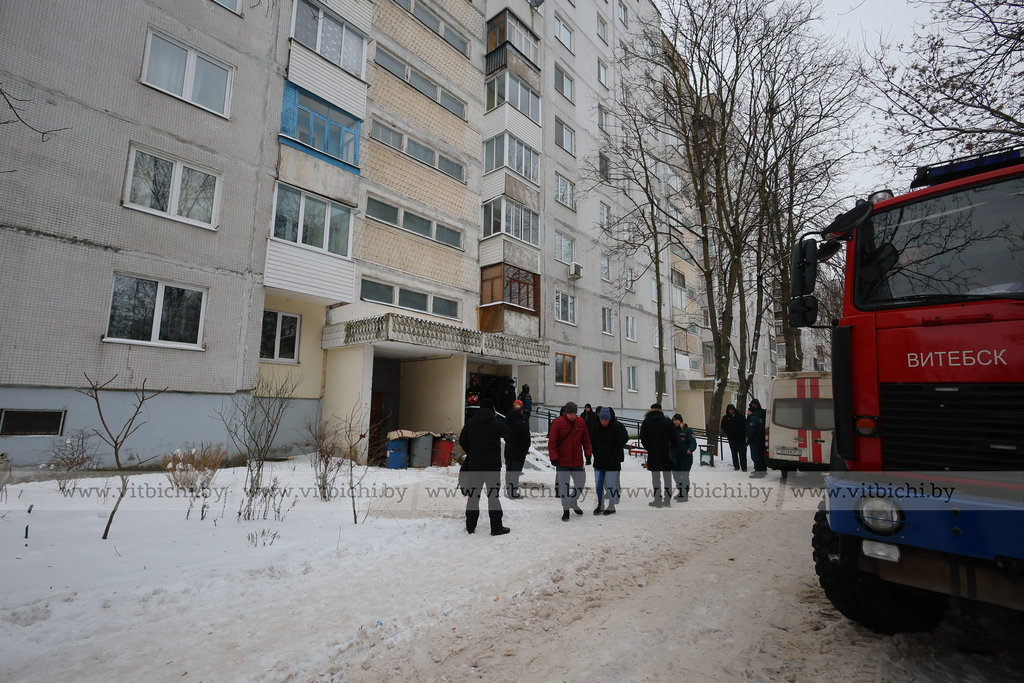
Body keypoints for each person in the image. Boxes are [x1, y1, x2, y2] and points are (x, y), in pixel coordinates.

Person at [458, 398, 511, 535]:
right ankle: (496, 528)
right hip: (493, 467)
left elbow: (462, 440)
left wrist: (471, 452)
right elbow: (508, 435)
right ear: (492, 409)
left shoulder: (471, 422)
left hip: (475, 466)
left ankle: (470, 527)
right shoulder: (496, 422)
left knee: (473, 496)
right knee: (493, 496)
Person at [547, 401, 592, 521]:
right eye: (571, 414)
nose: (573, 416)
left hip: (577, 461)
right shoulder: (557, 423)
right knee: (564, 487)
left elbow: (586, 440)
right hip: (562, 462)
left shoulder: (580, 422)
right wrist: (554, 457)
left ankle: (573, 501)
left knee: (581, 483)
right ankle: (566, 509)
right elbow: (552, 443)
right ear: (566, 413)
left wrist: (588, 454)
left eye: (575, 414)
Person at [591, 406, 628, 515]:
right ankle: (600, 504)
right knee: (599, 484)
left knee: (611, 484)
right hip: (599, 461)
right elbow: (593, 442)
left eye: (605, 420)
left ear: (609, 419)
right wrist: (595, 453)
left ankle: (611, 506)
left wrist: (614, 456)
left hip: (612, 462)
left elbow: (621, 442)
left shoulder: (616, 427)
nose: (603, 422)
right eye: (602, 420)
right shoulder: (596, 427)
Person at [640, 403, 676, 508]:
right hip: (666, 454)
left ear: (651, 410)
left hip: (653, 454)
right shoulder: (668, 421)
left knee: (655, 478)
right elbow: (674, 438)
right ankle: (667, 500)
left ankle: (657, 500)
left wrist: (650, 448)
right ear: (661, 410)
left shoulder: (646, 422)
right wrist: (670, 448)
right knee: (667, 478)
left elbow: (643, 438)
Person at [503, 400, 531, 499]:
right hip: (519, 450)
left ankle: (509, 491)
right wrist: (526, 447)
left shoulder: (507, 418)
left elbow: (504, 434)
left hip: (508, 449)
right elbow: (526, 436)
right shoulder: (523, 419)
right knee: (515, 472)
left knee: (509, 471)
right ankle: (513, 492)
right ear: (522, 409)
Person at [671, 414, 696, 501]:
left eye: (676, 420)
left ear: (680, 420)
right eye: (673, 420)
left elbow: (693, 442)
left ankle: (684, 494)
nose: (675, 422)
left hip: (686, 457)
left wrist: (690, 449)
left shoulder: (687, 430)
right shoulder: (672, 430)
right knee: (676, 475)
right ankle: (681, 491)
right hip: (675, 457)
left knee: (684, 475)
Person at [720, 404, 747, 471]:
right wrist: (728, 432)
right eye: (729, 410)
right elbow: (723, 427)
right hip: (732, 438)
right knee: (734, 453)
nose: (731, 411)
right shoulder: (725, 418)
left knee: (742, 453)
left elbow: (745, 425)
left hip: (741, 438)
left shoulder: (740, 417)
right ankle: (736, 466)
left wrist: (743, 433)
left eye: (732, 409)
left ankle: (744, 467)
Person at [746, 403, 767, 478]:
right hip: (760, 440)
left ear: (751, 411)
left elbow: (751, 431)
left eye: (748, 411)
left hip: (755, 440)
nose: (747, 412)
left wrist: (748, 441)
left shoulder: (753, 419)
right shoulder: (759, 418)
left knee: (755, 456)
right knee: (760, 456)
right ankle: (762, 470)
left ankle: (758, 472)